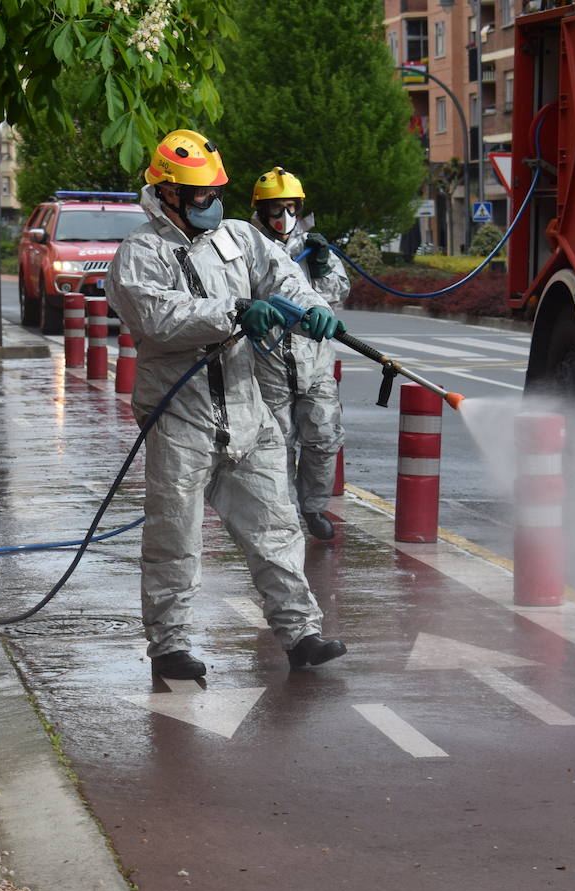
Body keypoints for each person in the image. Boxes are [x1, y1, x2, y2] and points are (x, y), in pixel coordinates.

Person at [104, 128, 349, 680]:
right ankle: (170, 646)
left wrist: (310, 308)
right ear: (166, 193)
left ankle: (301, 634)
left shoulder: (239, 237)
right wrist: (236, 311)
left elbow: (284, 277)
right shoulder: (141, 253)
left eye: (215, 193)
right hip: (180, 417)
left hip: (247, 409)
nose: (211, 204)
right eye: (199, 195)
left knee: (276, 526)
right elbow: (158, 319)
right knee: (175, 537)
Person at [249, 167, 350, 540]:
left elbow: (335, 294)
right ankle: (285, 516)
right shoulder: (249, 247)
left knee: (323, 438)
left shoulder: (314, 248)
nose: (283, 218)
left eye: (290, 208)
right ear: (260, 211)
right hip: (268, 363)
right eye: (275, 209)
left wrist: (322, 266)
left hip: (316, 363)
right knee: (276, 444)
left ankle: (313, 508)